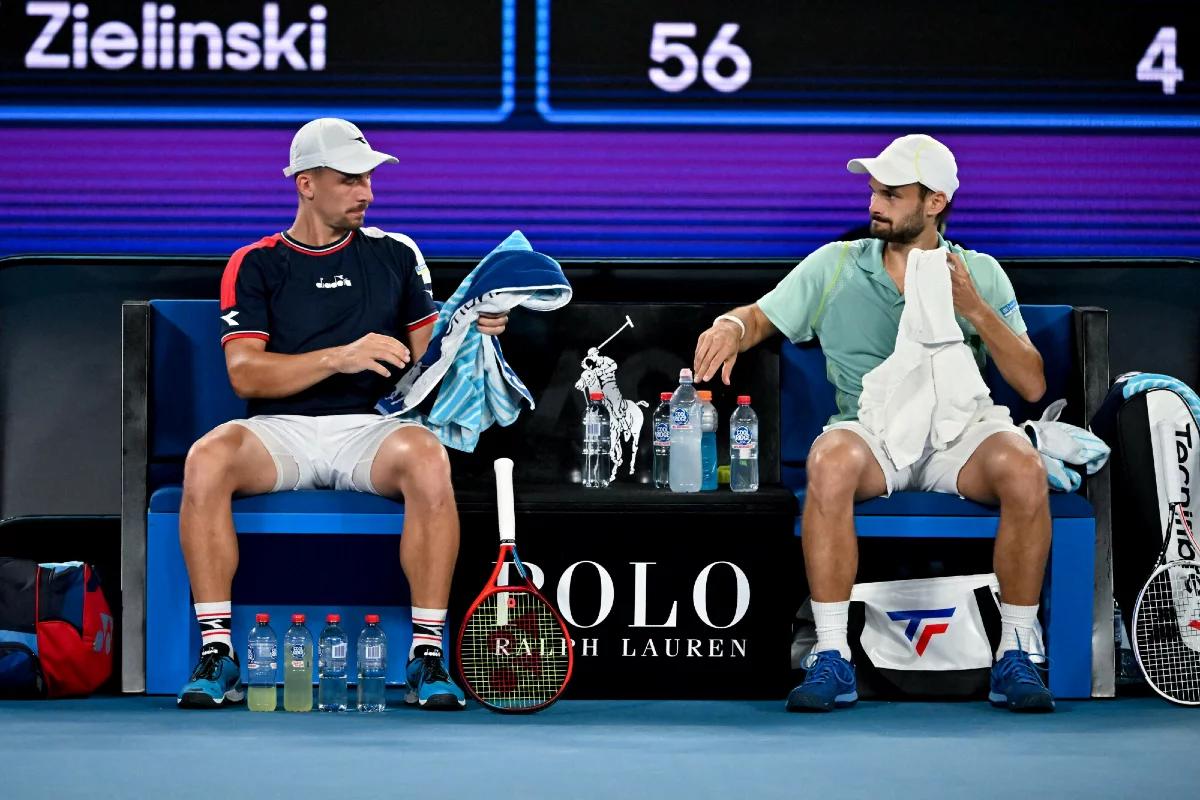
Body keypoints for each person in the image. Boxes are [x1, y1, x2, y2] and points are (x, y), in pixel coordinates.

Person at [693, 134, 1056, 713]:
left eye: (891, 193)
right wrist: (730, 328)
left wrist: (975, 310)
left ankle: (1017, 647)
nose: (874, 204)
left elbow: (1033, 384)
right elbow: (759, 315)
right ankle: (832, 654)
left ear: (934, 202)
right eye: (872, 191)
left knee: (1024, 466)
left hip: (958, 435)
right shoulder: (836, 265)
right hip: (875, 432)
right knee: (829, 461)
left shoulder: (980, 273)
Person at [177, 118, 508, 710]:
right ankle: (217, 652)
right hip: (279, 432)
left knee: (429, 457)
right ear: (306, 184)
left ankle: (428, 656)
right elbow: (246, 373)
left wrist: (474, 326)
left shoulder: (394, 254)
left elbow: (430, 354)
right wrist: (341, 356)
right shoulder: (254, 263)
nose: (367, 193)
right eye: (350, 179)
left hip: (371, 428)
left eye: (370, 180)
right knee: (207, 458)